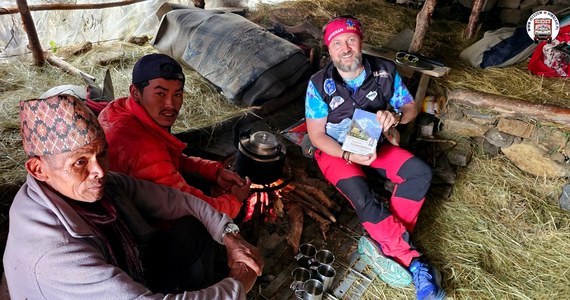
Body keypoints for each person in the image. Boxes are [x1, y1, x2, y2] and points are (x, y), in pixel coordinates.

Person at [3, 94, 263, 298]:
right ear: (39, 169)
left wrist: (228, 234)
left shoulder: (95, 186)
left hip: (127, 273)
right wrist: (238, 284)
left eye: (101, 154)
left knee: (190, 228)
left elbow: (175, 199)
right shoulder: (57, 255)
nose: (99, 171)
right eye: (79, 162)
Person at [304, 16, 445, 300]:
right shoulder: (318, 84)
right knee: (364, 196)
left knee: (419, 173)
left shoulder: (384, 71)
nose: (345, 48)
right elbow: (317, 136)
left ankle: (382, 244)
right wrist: (346, 153)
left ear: (361, 41)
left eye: (351, 40)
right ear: (329, 50)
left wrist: (396, 116)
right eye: (337, 43)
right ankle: (415, 263)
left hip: (374, 146)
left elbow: (409, 107)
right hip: (336, 151)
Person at [98, 53, 249, 219]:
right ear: (135, 92)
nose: (170, 104)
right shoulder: (142, 145)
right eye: (160, 94)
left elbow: (167, 158)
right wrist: (234, 201)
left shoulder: (118, 108)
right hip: (132, 222)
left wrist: (215, 171)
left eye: (177, 94)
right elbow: (193, 206)